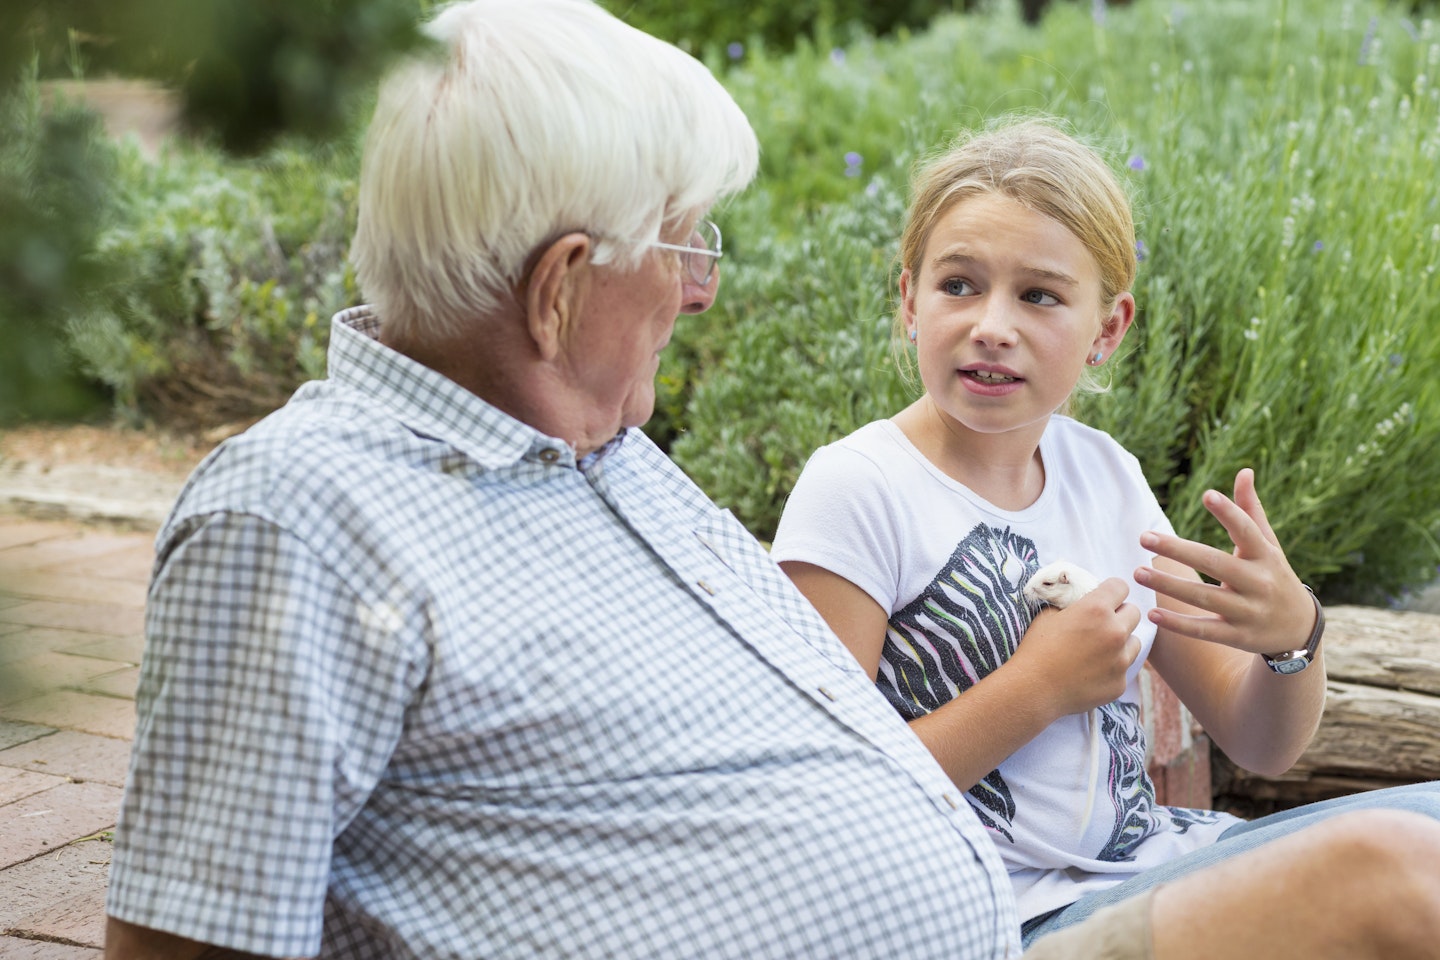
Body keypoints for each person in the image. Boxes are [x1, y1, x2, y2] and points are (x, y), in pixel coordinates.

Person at [103, 2, 1440, 956]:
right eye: (683, 248)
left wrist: (1281, 648)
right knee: (1395, 877)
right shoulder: (301, 521)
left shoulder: (595, 456)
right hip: (1020, 928)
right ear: (564, 286)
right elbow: (188, 941)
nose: (701, 289)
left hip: (1023, 901)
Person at [769, 116, 1440, 951]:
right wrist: (1038, 688)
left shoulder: (1103, 474)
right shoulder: (858, 489)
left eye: (1040, 295)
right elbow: (820, 802)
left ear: (1109, 331)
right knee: (1388, 867)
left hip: (1151, 864)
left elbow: (1260, 742)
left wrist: (1292, 638)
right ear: (909, 300)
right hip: (1000, 920)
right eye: (959, 285)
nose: (992, 324)